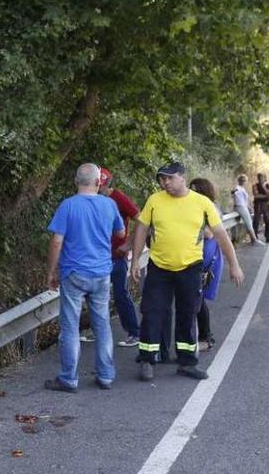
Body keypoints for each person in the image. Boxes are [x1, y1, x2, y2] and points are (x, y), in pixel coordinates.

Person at [130, 162, 244, 381]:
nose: (165, 183)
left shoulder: (201, 203)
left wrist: (234, 265)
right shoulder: (155, 200)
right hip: (159, 268)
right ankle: (147, 359)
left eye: (168, 179)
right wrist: (135, 260)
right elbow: (142, 227)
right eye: (161, 180)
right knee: (152, 312)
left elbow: (220, 235)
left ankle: (187, 362)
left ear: (182, 177)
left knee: (188, 313)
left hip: (190, 268)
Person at [45, 163, 126, 392]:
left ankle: (69, 379)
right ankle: (106, 376)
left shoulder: (68, 206)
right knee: (102, 325)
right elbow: (120, 233)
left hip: (74, 273)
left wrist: (51, 272)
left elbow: (57, 241)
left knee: (70, 327)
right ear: (99, 182)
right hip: (101, 273)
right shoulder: (110, 204)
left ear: (75, 181)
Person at [98, 168, 141, 348]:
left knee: (121, 294)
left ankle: (134, 333)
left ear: (104, 184)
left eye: (98, 185)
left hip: (117, 255)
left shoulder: (119, 198)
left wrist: (128, 244)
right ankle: (98, 331)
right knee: (97, 295)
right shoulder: (93, 200)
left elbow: (141, 219)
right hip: (98, 256)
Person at [188, 178, 225, 351]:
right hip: (196, 257)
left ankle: (206, 337)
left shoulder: (209, 207)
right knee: (196, 299)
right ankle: (202, 337)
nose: (192, 193)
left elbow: (210, 233)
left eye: (196, 190)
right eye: (191, 189)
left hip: (207, 259)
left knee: (199, 300)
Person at [231, 174, 260, 244]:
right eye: (242, 180)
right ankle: (254, 239)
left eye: (244, 180)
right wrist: (233, 191)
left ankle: (252, 239)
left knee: (248, 221)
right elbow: (233, 192)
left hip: (243, 206)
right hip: (240, 206)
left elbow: (244, 200)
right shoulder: (237, 187)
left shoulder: (242, 188)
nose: (243, 182)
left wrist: (248, 207)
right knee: (248, 221)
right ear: (239, 181)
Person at [252, 173, 269, 243]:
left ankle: (268, 237)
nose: (260, 179)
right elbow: (256, 196)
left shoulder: (267, 185)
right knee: (256, 220)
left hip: (266, 204)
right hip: (258, 204)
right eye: (259, 178)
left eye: (262, 178)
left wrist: (264, 187)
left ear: (265, 178)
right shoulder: (255, 185)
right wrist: (265, 196)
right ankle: (254, 237)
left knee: (268, 221)